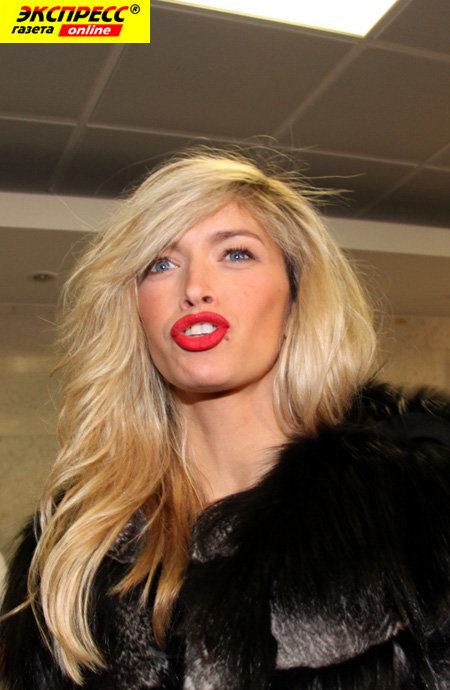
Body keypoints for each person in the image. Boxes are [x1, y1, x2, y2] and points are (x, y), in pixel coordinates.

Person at [1, 150, 449, 690]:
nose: (194, 287)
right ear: (134, 311)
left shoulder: (421, 502)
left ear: (296, 299)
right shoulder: (72, 548)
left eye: (236, 253)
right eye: (160, 264)